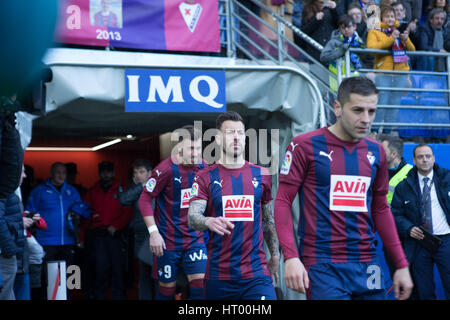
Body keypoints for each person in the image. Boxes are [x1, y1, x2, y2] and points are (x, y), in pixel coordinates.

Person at [274, 76, 413, 300]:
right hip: (322, 263)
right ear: (337, 108)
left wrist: (401, 264)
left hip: (367, 262)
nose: (366, 119)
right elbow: (282, 202)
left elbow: (380, 209)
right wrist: (290, 256)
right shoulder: (303, 146)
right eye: (358, 110)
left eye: (372, 111)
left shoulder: (377, 151)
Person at [188, 111, 280, 300]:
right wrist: (208, 221)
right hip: (219, 275)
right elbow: (192, 217)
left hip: (256, 273)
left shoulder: (261, 174)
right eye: (230, 133)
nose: (236, 137)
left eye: (240, 132)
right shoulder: (205, 176)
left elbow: (267, 218)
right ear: (218, 139)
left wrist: (275, 254)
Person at [138, 125, 207, 300]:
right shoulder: (165, 169)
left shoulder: (204, 167)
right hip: (168, 241)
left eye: (199, 148)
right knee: (167, 290)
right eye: (191, 148)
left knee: (201, 288)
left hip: (195, 239)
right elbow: (144, 200)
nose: (196, 153)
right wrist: (153, 233)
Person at [391, 144, 450, 300]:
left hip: (446, 241)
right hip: (419, 243)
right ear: (414, 160)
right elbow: (395, 214)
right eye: (420, 157)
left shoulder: (447, 179)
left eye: (428, 156)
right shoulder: (403, 186)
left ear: (434, 158)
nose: (425, 160)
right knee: (424, 291)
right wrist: (408, 228)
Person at [25, 162, 90, 299]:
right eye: (58, 172)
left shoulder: (72, 191)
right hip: (46, 241)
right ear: (51, 173)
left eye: (64, 173)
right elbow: (28, 212)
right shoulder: (39, 191)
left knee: (71, 273)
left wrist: (77, 211)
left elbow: (83, 208)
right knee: (46, 276)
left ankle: (69, 296)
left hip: (68, 240)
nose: (61, 175)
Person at [85, 161, 132, 300]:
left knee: (118, 269)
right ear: (99, 173)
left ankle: (118, 297)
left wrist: (117, 226)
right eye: (103, 171)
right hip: (99, 236)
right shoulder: (93, 190)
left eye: (108, 171)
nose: (106, 174)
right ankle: (100, 297)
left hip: (117, 236)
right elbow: (87, 212)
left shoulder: (122, 189)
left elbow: (128, 212)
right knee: (100, 270)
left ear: (113, 172)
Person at [367, 6, 415, 125]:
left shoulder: (399, 30)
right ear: (382, 18)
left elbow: (412, 50)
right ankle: (375, 130)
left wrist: (406, 39)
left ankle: (387, 133)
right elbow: (372, 49)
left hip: (400, 72)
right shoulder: (374, 31)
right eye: (387, 16)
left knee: (394, 104)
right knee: (381, 103)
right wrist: (391, 38)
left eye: (392, 16)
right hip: (383, 72)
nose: (390, 19)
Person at [118, 158, 154, 300]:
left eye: (142, 172)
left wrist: (149, 184)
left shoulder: (159, 186)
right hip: (140, 238)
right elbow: (123, 199)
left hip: (159, 236)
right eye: (135, 172)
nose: (138, 175)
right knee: (144, 275)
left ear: (150, 173)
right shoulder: (134, 189)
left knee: (160, 275)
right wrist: (142, 186)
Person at [320, 15, 365, 91]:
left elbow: (367, 59)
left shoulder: (359, 42)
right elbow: (323, 57)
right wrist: (341, 51)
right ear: (340, 29)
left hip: (355, 82)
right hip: (337, 82)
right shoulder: (334, 41)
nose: (346, 30)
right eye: (343, 28)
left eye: (349, 26)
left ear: (354, 26)